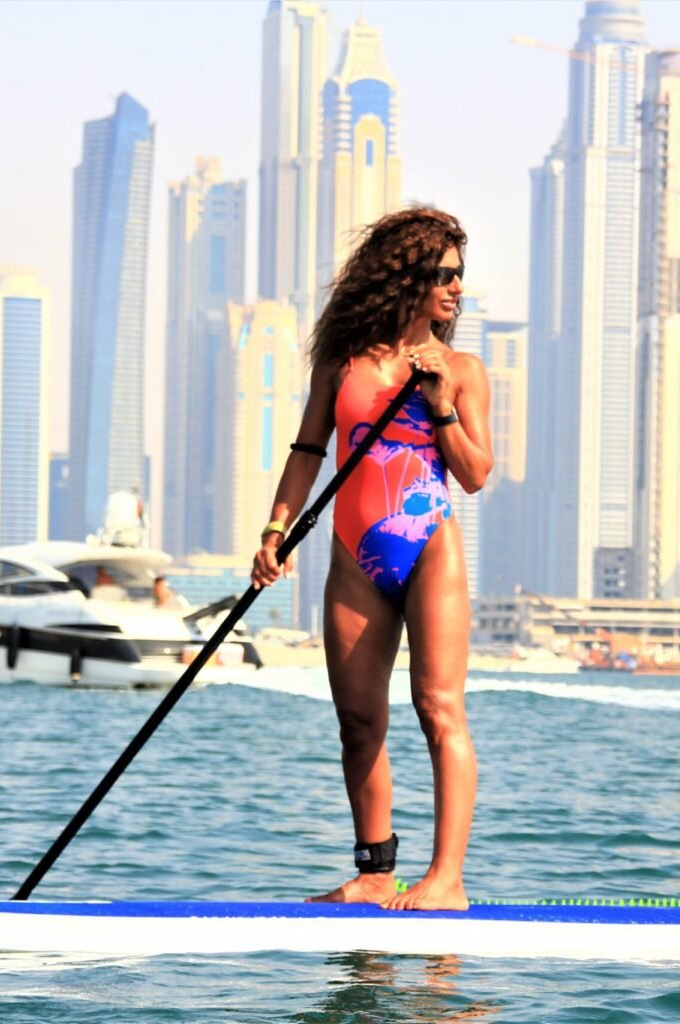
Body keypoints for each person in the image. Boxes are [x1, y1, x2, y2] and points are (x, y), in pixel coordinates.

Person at [251, 208, 492, 911]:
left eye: (460, 277)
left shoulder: (464, 370)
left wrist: (440, 404)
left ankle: (447, 878)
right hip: (354, 557)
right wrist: (274, 529)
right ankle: (376, 871)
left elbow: (476, 474)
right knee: (358, 723)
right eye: (443, 275)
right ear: (407, 278)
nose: (455, 289)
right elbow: (307, 451)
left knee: (437, 708)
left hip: (428, 547)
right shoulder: (345, 361)